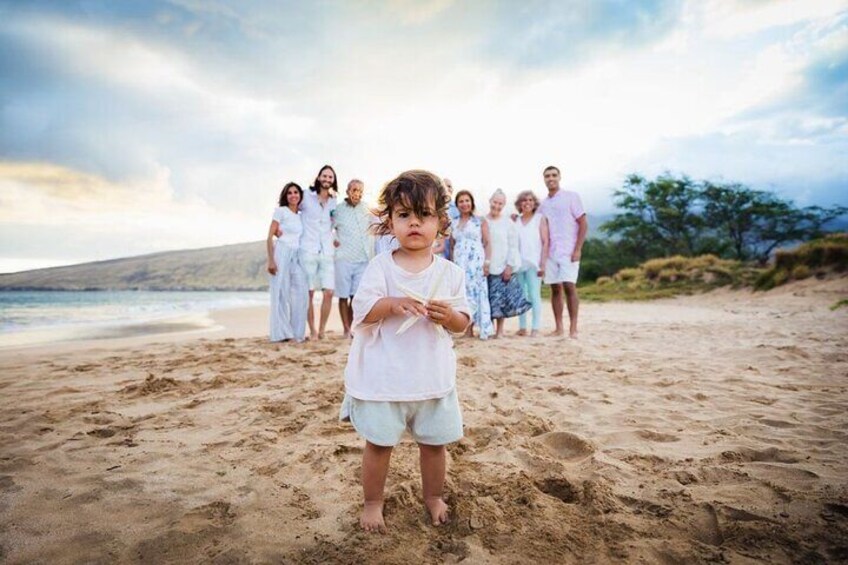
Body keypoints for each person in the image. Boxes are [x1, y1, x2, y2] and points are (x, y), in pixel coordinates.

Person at [340, 170, 471, 533]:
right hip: (386, 377)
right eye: (403, 215)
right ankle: (372, 502)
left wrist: (450, 317)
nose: (414, 222)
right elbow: (362, 312)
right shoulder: (380, 267)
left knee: (434, 445)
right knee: (379, 445)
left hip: (431, 376)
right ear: (390, 222)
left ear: (441, 222)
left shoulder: (450, 273)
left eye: (424, 214)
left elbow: (464, 322)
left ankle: (433, 496)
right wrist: (391, 303)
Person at [538, 166, 588, 338]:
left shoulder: (571, 197)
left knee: (569, 286)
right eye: (547, 176)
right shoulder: (543, 204)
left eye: (553, 175)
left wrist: (578, 249)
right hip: (551, 252)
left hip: (569, 250)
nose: (550, 178)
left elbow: (583, 222)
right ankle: (559, 327)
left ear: (559, 177)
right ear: (543, 179)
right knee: (555, 288)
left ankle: (573, 328)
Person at [266, 182, 309, 342]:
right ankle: (282, 334)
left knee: (301, 293)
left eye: (296, 192)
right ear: (285, 196)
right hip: (282, 252)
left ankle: (297, 334)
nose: (293, 195)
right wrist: (271, 260)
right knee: (280, 293)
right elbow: (269, 236)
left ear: (300, 196)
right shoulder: (281, 211)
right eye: (289, 193)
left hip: (297, 255)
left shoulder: (300, 215)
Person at [485, 189, 530, 339]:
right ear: (490, 201)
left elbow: (513, 245)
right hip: (485, 267)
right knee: (487, 299)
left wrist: (510, 266)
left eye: (500, 203)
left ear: (503, 205)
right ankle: (488, 329)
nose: (496, 206)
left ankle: (500, 331)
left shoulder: (508, 223)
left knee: (500, 300)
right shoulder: (482, 220)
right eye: (494, 202)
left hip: (502, 266)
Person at [450, 190, 494, 340]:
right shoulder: (453, 222)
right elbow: (452, 245)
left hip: (476, 262)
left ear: (472, 202)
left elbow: (487, 243)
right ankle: (467, 329)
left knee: (477, 293)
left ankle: (480, 329)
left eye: (467, 200)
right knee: (463, 294)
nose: (464, 204)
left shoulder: (480, 221)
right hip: (459, 262)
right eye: (461, 201)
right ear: (457, 205)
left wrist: (487, 263)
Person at [300, 165, 338, 340]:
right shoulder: (306, 196)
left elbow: (334, 223)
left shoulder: (333, 200)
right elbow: (292, 209)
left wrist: (336, 237)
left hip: (327, 251)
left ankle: (322, 330)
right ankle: (313, 331)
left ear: (333, 180)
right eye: (325, 176)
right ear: (319, 177)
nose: (327, 179)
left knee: (329, 292)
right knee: (308, 291)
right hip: (308, 249)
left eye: (330, 177)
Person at [333, 179, 372, 339]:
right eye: (355, 190)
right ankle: (346, 329)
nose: (358, 193)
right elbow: (325, 227)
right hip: (344, 257)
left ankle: (353, 327)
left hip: (363, 258)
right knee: (343, 295)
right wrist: (333, 240)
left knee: (355, 297)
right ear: (348, 191)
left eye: (360, 191)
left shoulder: (366, 208)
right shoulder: (338, 210)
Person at [514, 190, 549, 337]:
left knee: (534, 295)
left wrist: (543, 264)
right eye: (524, 200)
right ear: (519, 204)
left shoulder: (539, 218)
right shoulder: (515, 220)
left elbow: (545, 241)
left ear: (534, 203)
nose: (527, 203)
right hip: (519, 263)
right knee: (521, 296)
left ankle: (535, 327)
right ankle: (522, 327)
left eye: (530, 200)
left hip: (534, 263)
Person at [433, 178, 460, 259]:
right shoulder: (433, 206)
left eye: (449, 186)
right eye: (444, 186)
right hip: (438, 250)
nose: (447, 188)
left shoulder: (458, 208)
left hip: (453, 250)